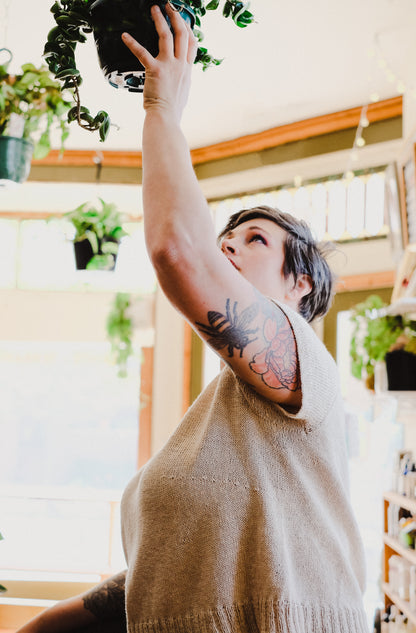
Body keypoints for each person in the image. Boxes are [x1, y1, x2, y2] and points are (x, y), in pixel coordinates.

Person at [16, 4, 369, 633]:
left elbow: (180, 249)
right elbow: (172, 563)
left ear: (302, 282)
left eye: (253, 240)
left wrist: (160, 111)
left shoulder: (301, 358)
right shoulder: (223, 412)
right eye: (225, 237)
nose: (228, 245)